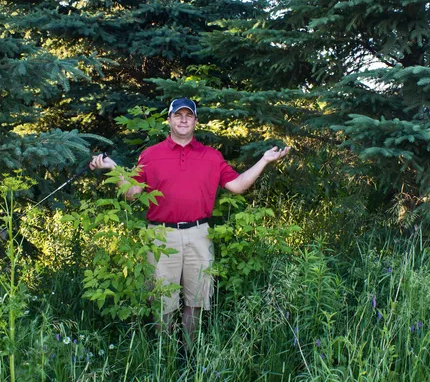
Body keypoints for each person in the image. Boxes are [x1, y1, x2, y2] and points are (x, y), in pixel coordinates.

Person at [89, 98, 290, 341]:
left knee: (196, 300)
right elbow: (132, 194)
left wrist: (264, 161)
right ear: (169, 120)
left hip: (199, 234)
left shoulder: (211, 156)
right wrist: (113, 168)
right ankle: (166, 357)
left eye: (188, 115)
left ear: (195, 121)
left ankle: (189, 355)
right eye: (178, 115)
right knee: (163, 303)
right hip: (161, 236)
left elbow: (237, 186)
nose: (183, 119)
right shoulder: (150, 155)